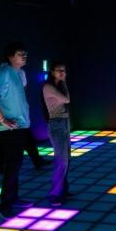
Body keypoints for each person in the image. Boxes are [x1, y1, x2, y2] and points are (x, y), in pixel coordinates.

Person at [0, 42, 34, 218]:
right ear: (10, 56)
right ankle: (4, 205)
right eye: (20, 53)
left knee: (16, 164)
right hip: (10, 127)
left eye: (25, 53)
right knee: (12, 165)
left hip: (20, 124)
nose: (24, 56)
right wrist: (2, 119)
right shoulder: (4, 72)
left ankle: (13, 199)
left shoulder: (18, 73)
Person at [0, 77, 50, 172]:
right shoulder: (3, 72)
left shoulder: (19, 73)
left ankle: (36, 161)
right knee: (2, 138)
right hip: (7, 112)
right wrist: (0, 93)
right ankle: (0, 165)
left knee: (25, 136)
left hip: (18, 112)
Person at [42, 61, 72, 206]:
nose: (62, 72)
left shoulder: (57, 85)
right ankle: (54, 194)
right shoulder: (48, 86)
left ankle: (62, 190)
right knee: (62, 160)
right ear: (51, 71)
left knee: (67, 158)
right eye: (59, 70)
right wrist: (64, 82)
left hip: (64, 123)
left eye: (64, 70)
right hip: (56, 125)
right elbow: (67, 99)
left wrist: (63, 82)